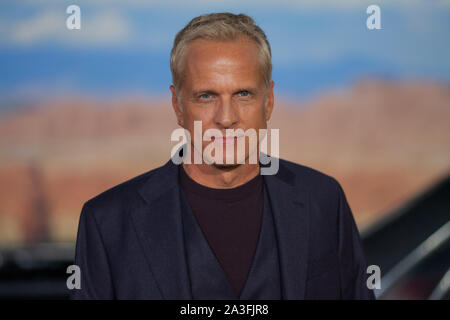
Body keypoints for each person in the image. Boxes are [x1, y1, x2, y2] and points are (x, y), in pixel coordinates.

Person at [71, 12, 375, 300]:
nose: (226, 118)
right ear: (178, 106)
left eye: (243, 94)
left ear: (268, 102)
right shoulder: (107, 224)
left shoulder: (322, 201)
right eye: (207, 96)